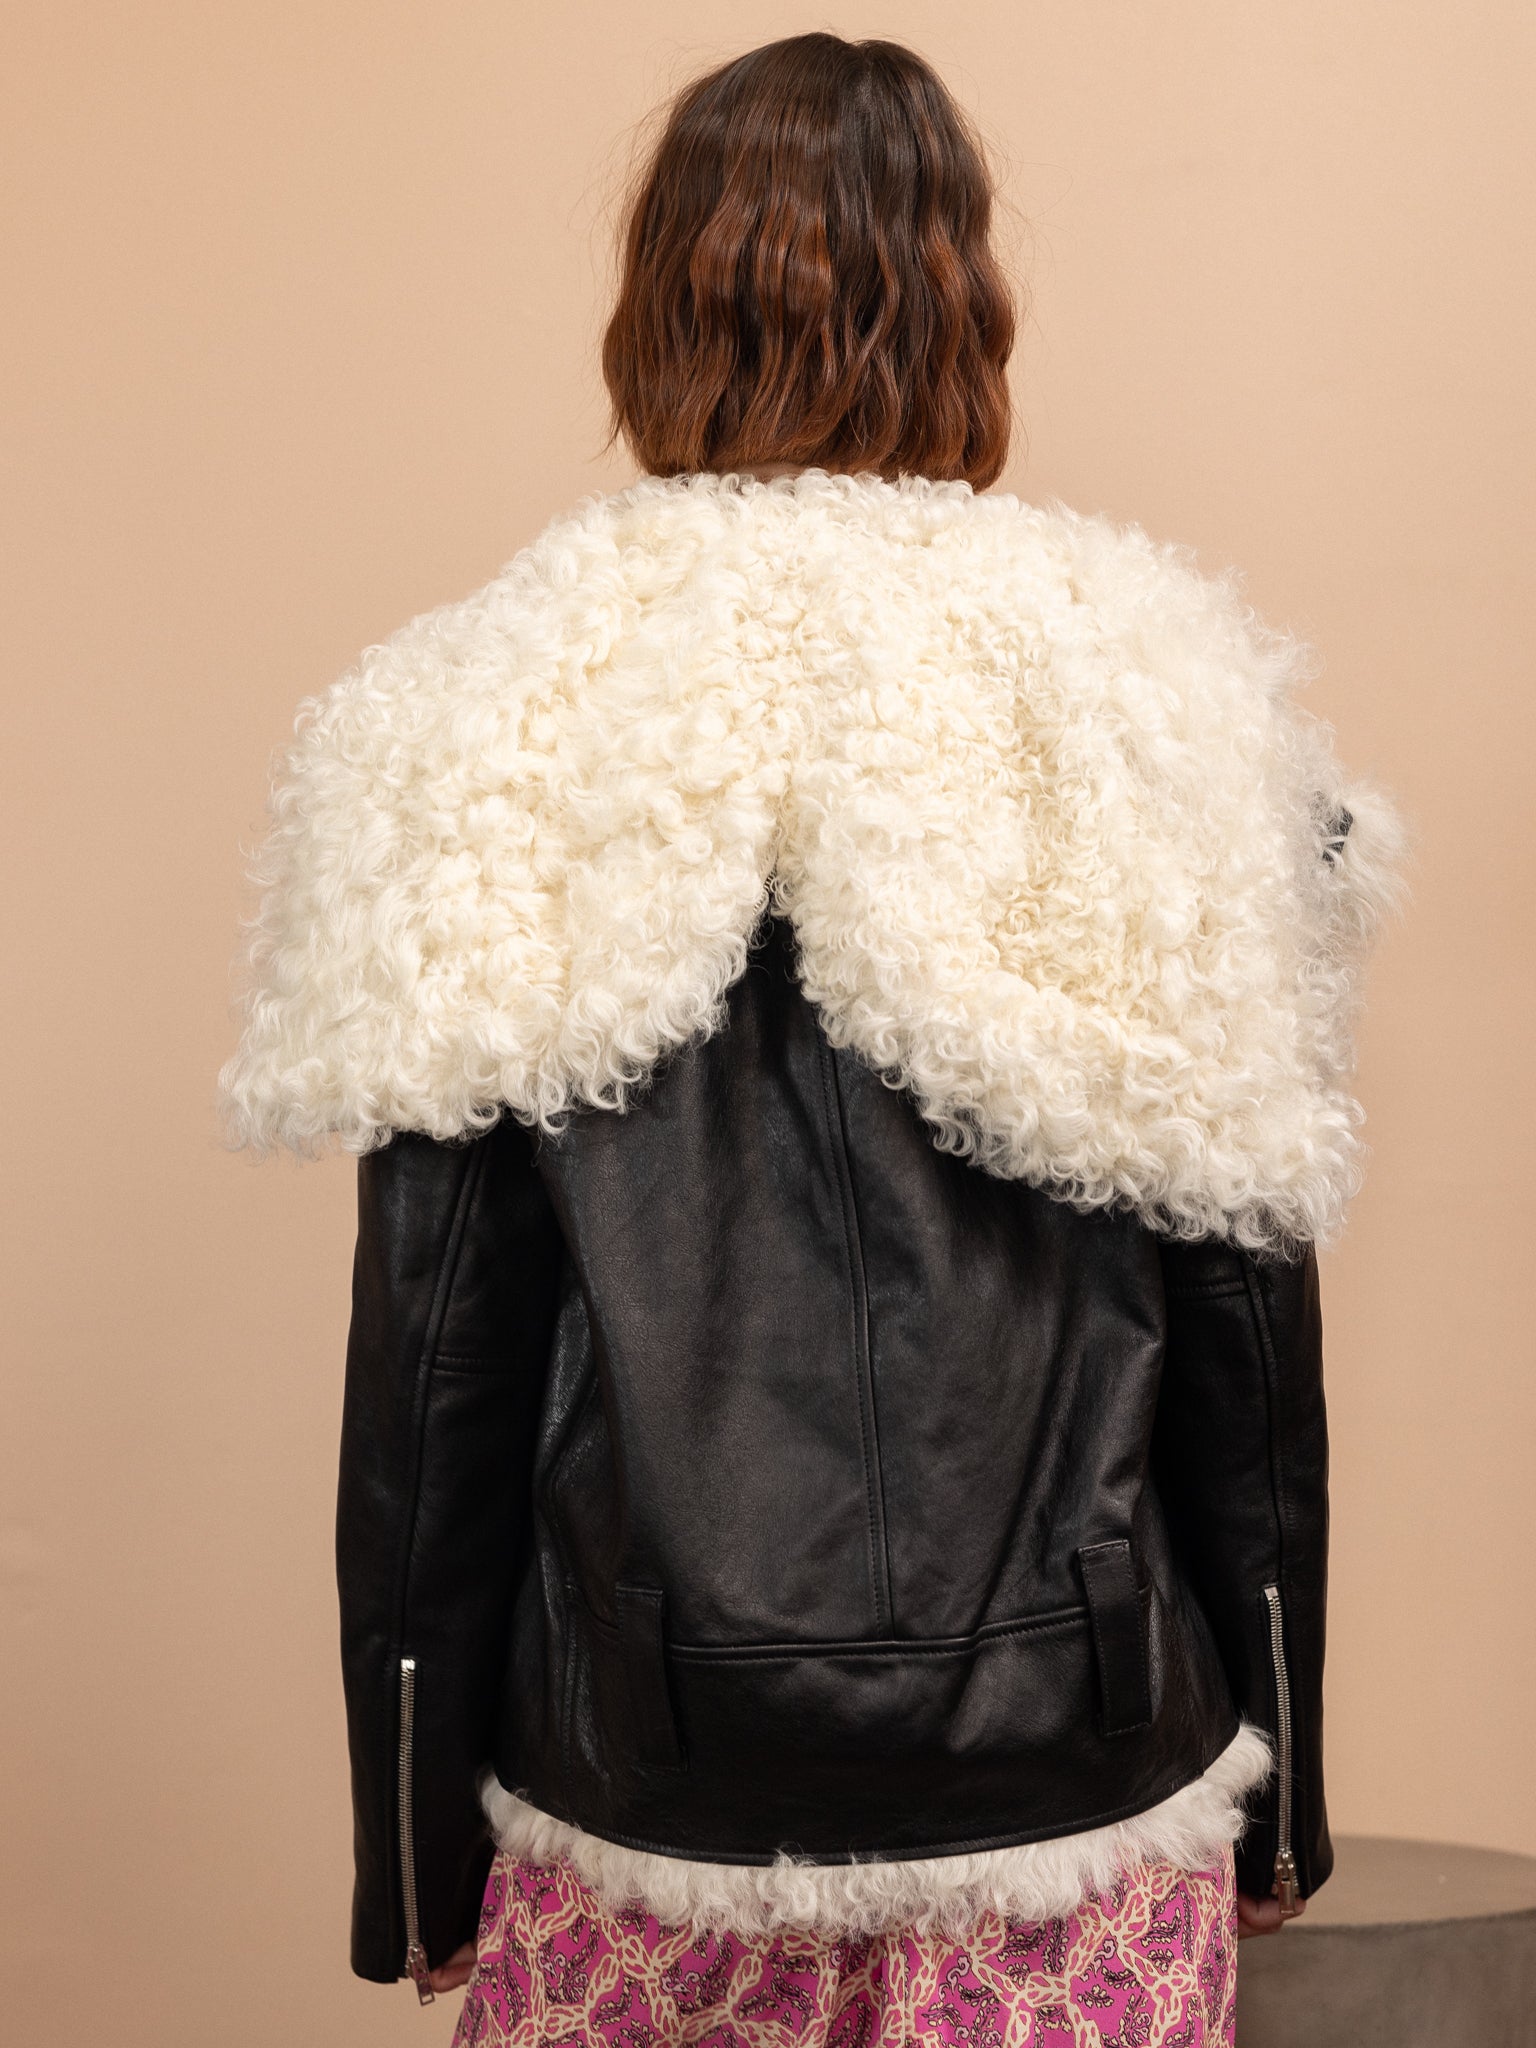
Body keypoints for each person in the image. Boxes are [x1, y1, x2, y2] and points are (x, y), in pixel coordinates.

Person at [220, 32, 1402, 2045]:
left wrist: (412, 1849)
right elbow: (1246, 1335)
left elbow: (434, 1365)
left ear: (658, 302)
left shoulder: (487, 717)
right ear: (964, 299)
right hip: (1081, 1796)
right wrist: (1282, 1785)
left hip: (646, 1790)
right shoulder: (1157, 704)